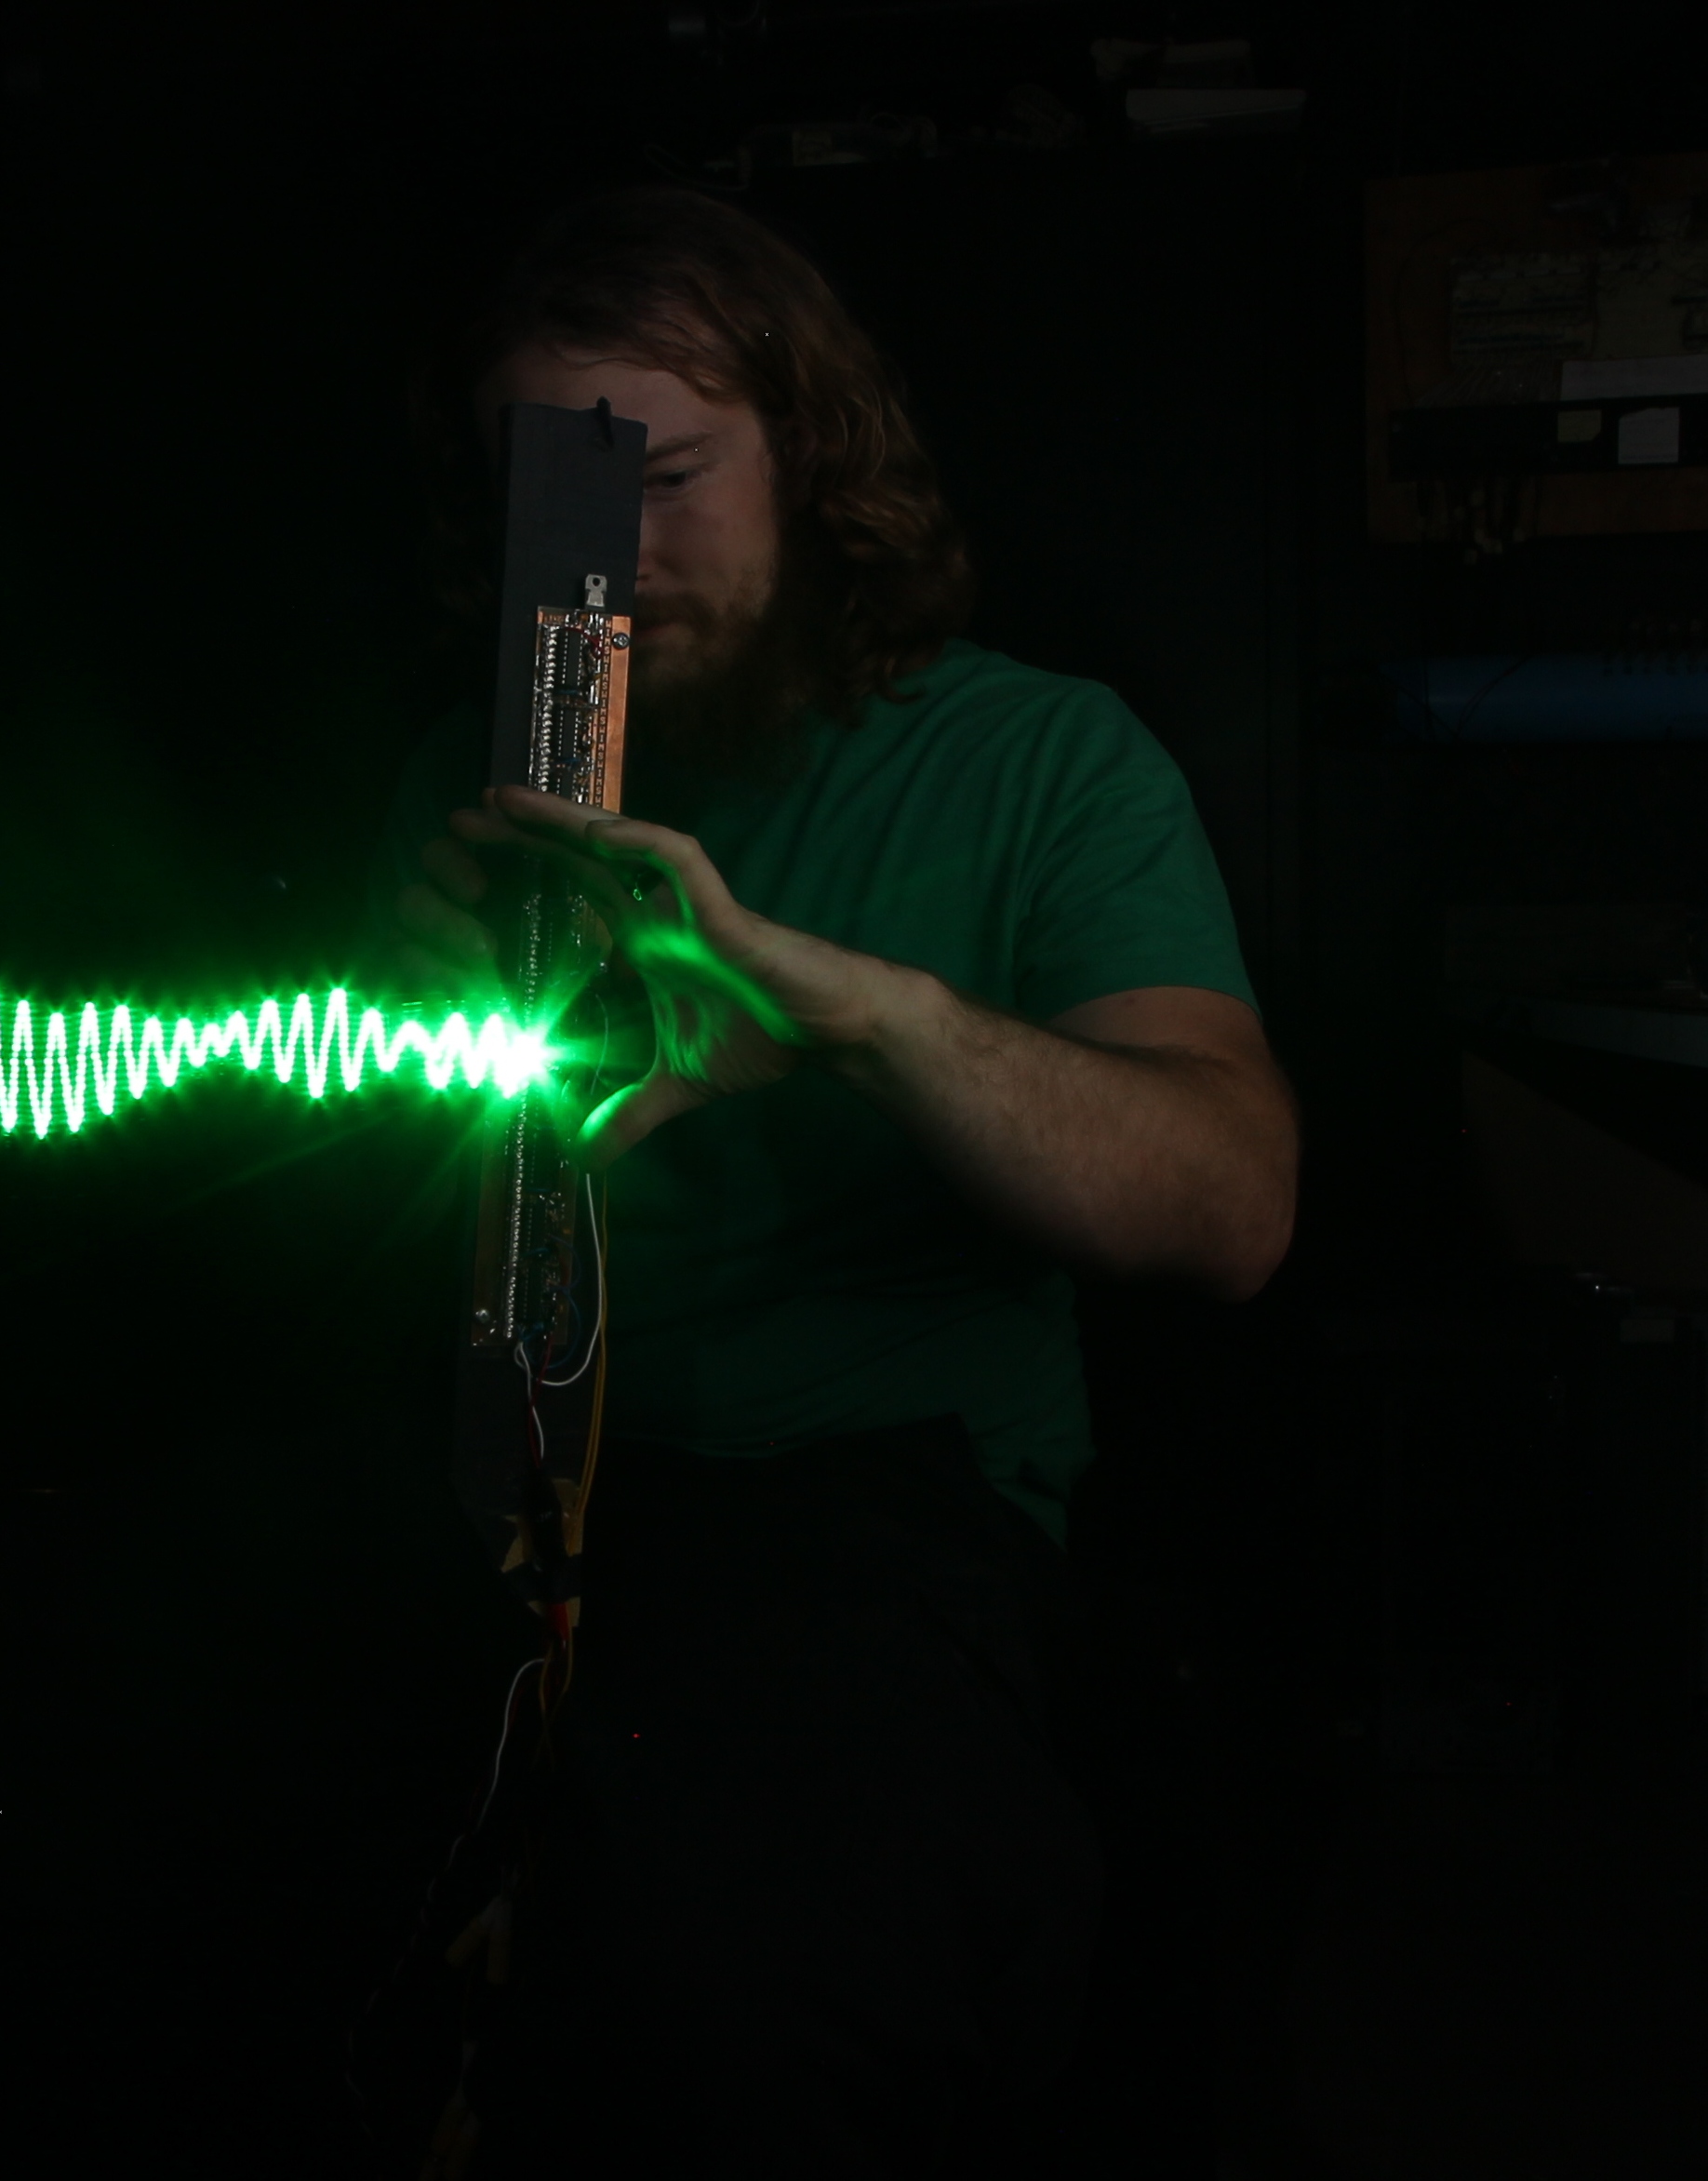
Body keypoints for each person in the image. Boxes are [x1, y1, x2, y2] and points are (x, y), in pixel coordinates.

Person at [377, 187, 1298, 2175]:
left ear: (815, 456)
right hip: (508, 1491)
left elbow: (1231, 1210)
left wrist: (860, 1020)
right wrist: (400, 1020)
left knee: (742, 1975)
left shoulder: (1042, 759)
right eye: (558, 499)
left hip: (872, 1510)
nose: (612, 559)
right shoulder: (477, 774)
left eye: (666, 478)